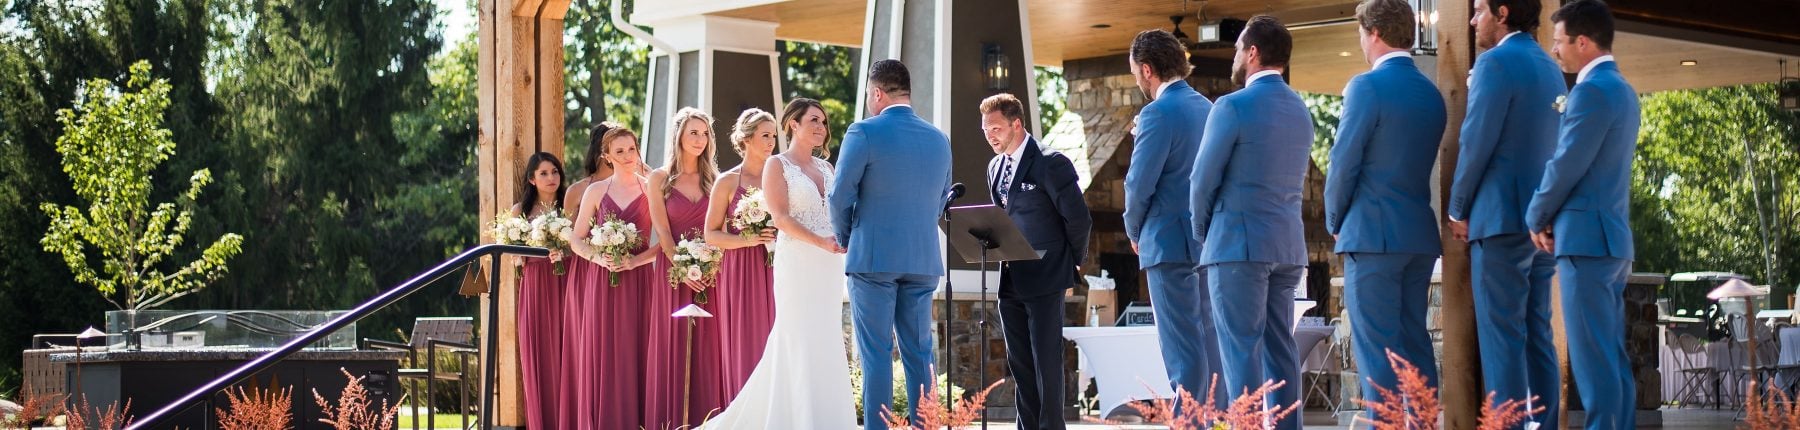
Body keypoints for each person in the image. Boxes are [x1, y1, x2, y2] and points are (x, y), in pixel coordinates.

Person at [698, 98, 858, 429]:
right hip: (798, 262)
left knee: (826, 336)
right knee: (797, 336)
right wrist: (819, 242)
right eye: (814, 119)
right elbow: (782, 218)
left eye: (824, 122)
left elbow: (837, 213)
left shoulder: (828, 168)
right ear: (793, 124)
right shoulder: (777, 166)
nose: (820, 127)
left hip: (828, 266)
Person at [1189, 15, 1311, 429]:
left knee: (1240, 352)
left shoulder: (1232, 105)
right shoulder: (1301, 110)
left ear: (1253, 52)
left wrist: (1205, 234)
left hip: (1237, 247)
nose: (1236, 55)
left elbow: (1202, 180)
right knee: (1281, 350)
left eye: (1240, 47)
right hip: (1286, 247)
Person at [1325, 0, 1448, 403]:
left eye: (1361, 32)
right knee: (1414, 344)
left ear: (1374, 33)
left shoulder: (1366, 86)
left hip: (1372, 235)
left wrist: (1334, 219)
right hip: (1418, 235)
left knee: (1377, 354)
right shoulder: (1431, 95)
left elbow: (1343, 163)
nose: (1361, 41)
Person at [1451, 0, 1566, 424]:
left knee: (1502, 339)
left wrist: (1458, 208)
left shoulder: (1494, 63)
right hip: (1543, 222)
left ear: (1502, 13)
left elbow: (1476, 141)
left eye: (1480, 9)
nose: (1472, 18)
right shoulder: (1550, 66)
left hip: (1499, 220)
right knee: (1538, 334)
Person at [1530, 1, 1638, 427]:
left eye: (1558, 42)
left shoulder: (1592, 91)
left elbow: (1566, 163)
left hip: (1587, 243)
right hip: (1610, 240)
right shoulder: (1623, 90)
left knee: (1593, 366)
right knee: (1610, 357)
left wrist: (1535, 216)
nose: (1555, 51)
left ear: (1582, 41)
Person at [829, 59, 953, 429]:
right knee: (920, 354)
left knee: (876, 355)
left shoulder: (863, 132)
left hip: (873, 259)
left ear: (877, 93)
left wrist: (848, 237)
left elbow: (839, 196)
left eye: (869, 93)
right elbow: (942, 197)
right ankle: (924, 426)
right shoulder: (939, 138)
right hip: (922, 258)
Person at [1122, 29, 1228, 413]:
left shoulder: (1156, 113)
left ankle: (1189, 422)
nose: (1137, 80)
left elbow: (1138, 185)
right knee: (1210, 343)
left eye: (1135, 72)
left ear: (1147, 69)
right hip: (1208, 241)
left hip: (1167, 243)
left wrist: (1133, 230)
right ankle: (1217, 419)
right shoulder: (1211, 109)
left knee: (1182, 349)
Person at [981, 93, 1090, 430]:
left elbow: (1079, 220)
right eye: (986, 130)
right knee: (1021, 364)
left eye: (996, 128)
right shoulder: (994, 167)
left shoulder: (1050, 162)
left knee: (1046, 362)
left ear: (1017, 124)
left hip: (1046, 275)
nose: (991, 136)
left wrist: (1072, 266)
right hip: (1009, 278)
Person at [567, 127, 661, 430]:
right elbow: (576, 239)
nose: (626, 156)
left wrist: (635, 261)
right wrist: (597, 257)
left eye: (631, 149)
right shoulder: (596, 191)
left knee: (639, 350)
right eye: (618, 152)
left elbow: (666, 243)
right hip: (602, 282)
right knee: (605, 352)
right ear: (606, 155)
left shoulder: (651, 189)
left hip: (640, 281)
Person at [644, 107, 727, 428]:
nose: (700, 139)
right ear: (679, 136)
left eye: (705, 133)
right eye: (694, 132)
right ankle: (670, 420)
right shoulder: (660, 178)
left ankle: (712, 419)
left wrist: (707, 266)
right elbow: (662, 231)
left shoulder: (716, 180)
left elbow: (721, 228)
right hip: (673, 274)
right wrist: (685, 266)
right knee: (673, 345)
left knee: (710, 346)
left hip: (712, 275)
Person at [705, 108, 781, 398]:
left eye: (773, 135)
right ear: (747, 139)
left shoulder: (782, 176)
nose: (771, 141)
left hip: (778, 267)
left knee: (776, 336)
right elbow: (711, 234)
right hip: (741, 272)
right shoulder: (727, 181)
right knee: (746, 340)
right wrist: (748, 240)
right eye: (765, 135)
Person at [558, 122, 613, 430]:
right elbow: (569, 237)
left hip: (629, 269)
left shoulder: (642, 182)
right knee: (588, 346)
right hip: (587, 272)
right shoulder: (579, 190)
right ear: (600, 150)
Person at [512, 152, 567, 430]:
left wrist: (564, 254)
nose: (551, 178)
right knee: (539, 353)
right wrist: (519, 257)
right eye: (543, 173)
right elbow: (513, 255)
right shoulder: (519, 211)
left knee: (566, 351)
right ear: (532, 179)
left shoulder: (570, 207)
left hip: (566, 284)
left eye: (555, 171)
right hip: (534, 286)